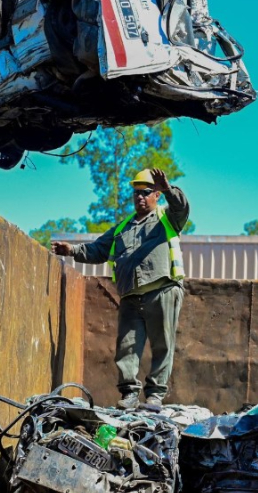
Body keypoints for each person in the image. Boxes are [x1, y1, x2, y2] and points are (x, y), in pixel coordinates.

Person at [52, 168, 189, 409]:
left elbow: (181, 208)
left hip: (162, 290)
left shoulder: (167, 218)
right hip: (130, 297)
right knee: (126, 348)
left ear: (156, 195)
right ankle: (129, 394)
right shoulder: (121, 228)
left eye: (146, 192)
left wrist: (168, 188)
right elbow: (97, 250)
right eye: (136, 193)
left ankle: (155, 395)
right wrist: (71, 250)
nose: (140, 197)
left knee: (162, 344)